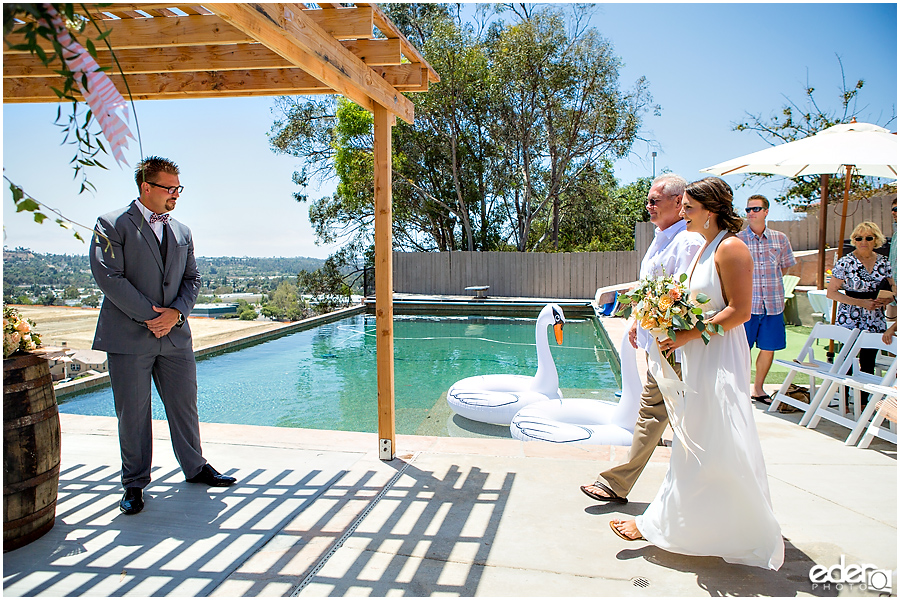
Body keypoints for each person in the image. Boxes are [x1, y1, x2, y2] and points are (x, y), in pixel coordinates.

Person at [610, 177, 784, 571]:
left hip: (718, 355)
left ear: (711, 209)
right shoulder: (705, 247)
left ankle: (704, 523)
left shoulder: (732, 248)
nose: (683, 213)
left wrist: (691, 332)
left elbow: (741, 311)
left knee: (712, 436)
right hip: (698, 354)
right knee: (697, 439)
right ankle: (680, 521)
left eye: (688, 207)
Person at [91, 156, 236, 516]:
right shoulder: (111, 224)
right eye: (169, 188)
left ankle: (195, 467)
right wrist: (152, 317)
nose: (176, 195)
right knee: (133, 414)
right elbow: (109, 278)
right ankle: (135, 483)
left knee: (185, 405)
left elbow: (193, 280)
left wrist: (176, 315)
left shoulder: (183, 231)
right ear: (146, 188)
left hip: (175, 337)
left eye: (178, 188)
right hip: (128, 337)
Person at [580, 173, 703, 504]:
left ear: (678, 202)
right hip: (657, 343)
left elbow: (687, 295)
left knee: (678, 418)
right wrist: (636, 319)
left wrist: (670, 331)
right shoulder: (660, 236)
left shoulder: (688, 242)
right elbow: (649, 285)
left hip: (677, 346)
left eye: (654, 201)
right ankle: (618, 484)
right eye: (647, 201)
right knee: (653, 413)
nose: (648, 206)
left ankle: (699, 492)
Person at [737, 194, 796, 403]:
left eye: (755, 209)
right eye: (748, 210)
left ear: (766, 211)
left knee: (768, 347)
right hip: (747, 305)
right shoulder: (738, 239)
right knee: (742, 349)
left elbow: (786, 265)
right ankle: (741, 390)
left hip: (773, 303)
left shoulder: (780, 238)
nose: (751, 213)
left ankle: (758, 389)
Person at [826, 221, 894, 377]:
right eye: (858, 238)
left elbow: (892, 288)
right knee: (847, 361)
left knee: (868, 362)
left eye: (869, 238)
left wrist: (886, 300)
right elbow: (832, 293)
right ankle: (844, 398)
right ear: (854, 240)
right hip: (850, 316)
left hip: (875, 317)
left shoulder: (884, 262)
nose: (863, 242)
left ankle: (863, 401)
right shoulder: (845, 262)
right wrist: (860, 303)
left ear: (876, 240)